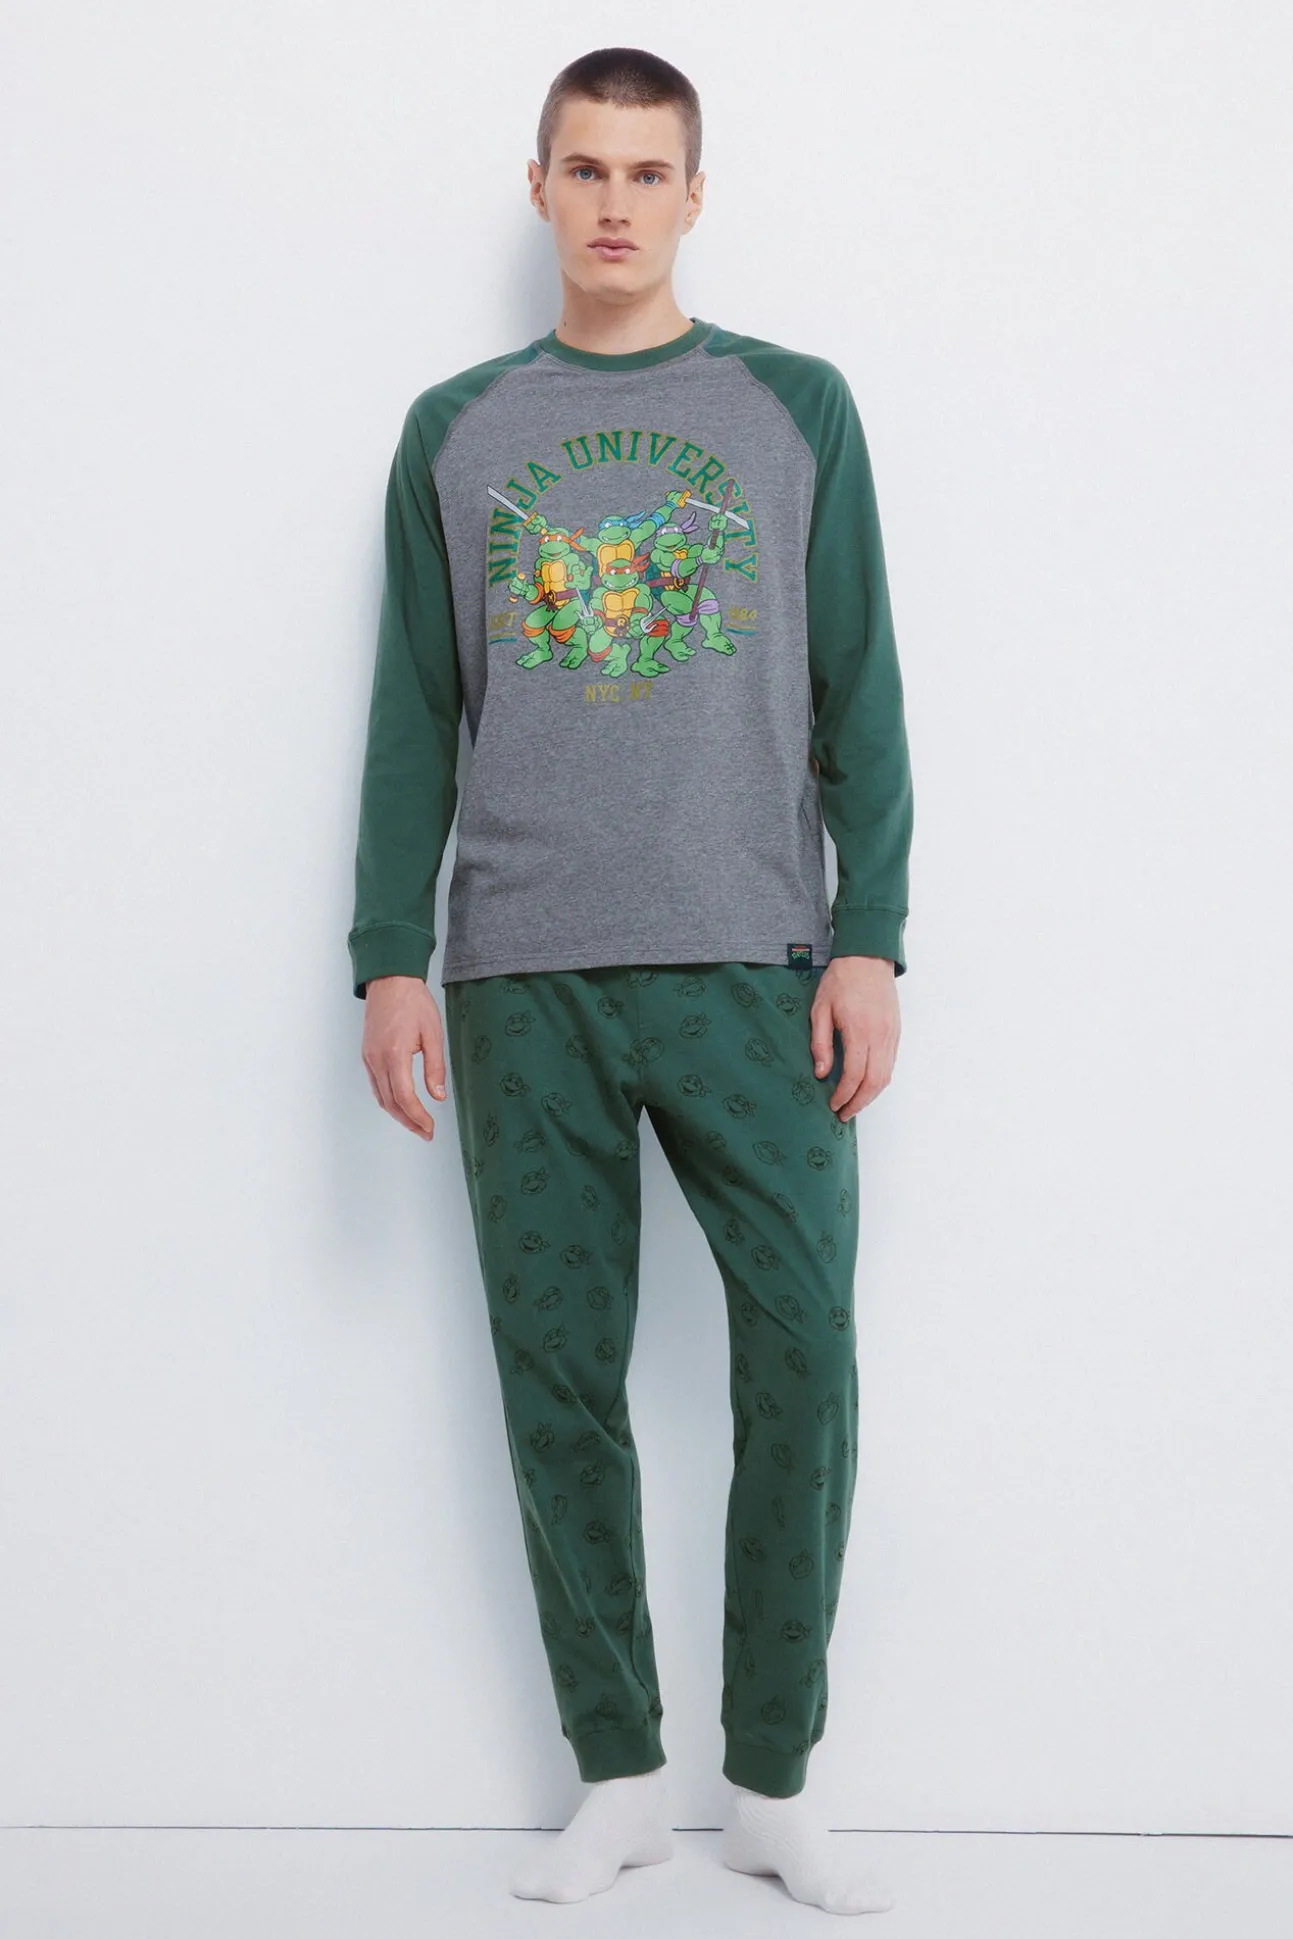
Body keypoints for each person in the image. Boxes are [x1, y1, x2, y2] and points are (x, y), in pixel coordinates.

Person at [347, 45, 911, 1916]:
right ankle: (617, 1778)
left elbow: (860, 689)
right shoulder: (455, 429)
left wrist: (871, 933)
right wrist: (390, 956)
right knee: (558, 1378)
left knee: (805, 1355)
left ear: (693, 195)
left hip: (755, 964)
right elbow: (415, 711)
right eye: (584, 169)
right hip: (524, 973)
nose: (614, 203)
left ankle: (774, 1777)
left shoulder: (794, 408)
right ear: (540, 188)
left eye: (646, 172)